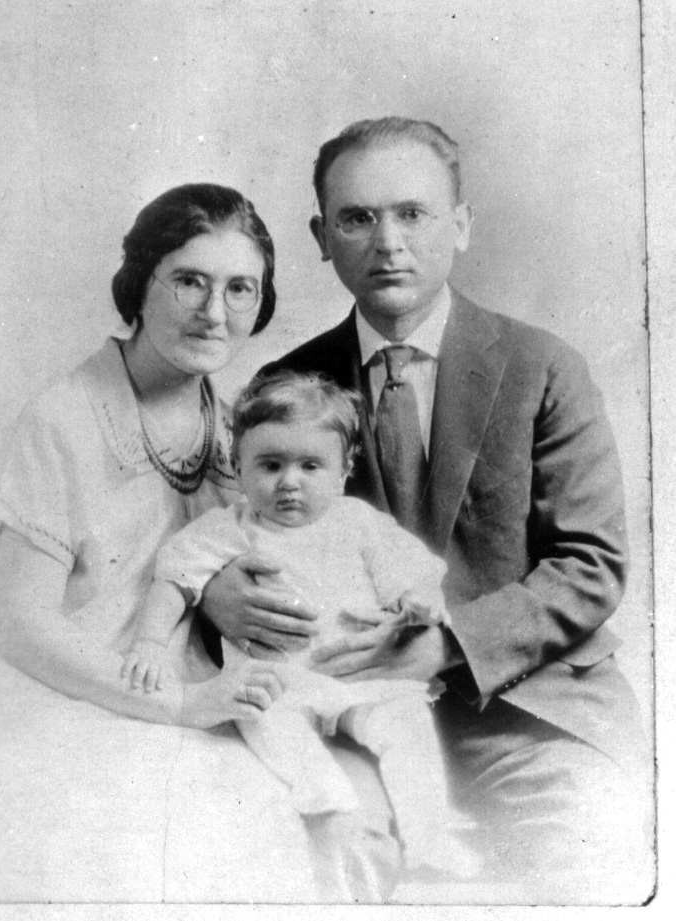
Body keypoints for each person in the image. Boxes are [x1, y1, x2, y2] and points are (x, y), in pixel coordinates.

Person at [200, 119, 649, 901]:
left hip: (525, 709)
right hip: (346, 711)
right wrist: (215, 591)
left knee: (584, 843)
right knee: (314, 847)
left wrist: (443, 645)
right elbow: (235, 530)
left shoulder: (541, 366)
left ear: (461, 224)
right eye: (356, 217)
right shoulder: (288, 383)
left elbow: (590, 563)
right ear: (320, 235)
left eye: (412, 213)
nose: (387, 242)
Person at [0, 183, 325, 901]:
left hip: (212, 701)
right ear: (140, 284)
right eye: (189, 282)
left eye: (241, 288)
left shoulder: (240, 424)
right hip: (92, 707)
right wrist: (179, 704)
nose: (214, 312)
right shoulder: (63, 418)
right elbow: (20, 627)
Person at [122, 370, 480, 885]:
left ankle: (429, 837)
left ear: (342, 469)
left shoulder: (358, 522)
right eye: (270, 465)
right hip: (281, 680)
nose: (290, 482)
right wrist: (151, 641)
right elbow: (174, 579)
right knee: (262, 716)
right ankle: (322, 793)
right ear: (239, 466)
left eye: (311, 466)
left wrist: (419, 604)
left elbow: (410, 573)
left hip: (361, 679)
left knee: (408, 729)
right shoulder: (231, 528)